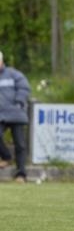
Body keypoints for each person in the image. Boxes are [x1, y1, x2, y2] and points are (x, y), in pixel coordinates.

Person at [0, 50, 31, 183]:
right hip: (1, 114)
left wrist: (19, 102)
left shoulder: (14, 74)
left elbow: (24, 88)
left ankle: (21, 174)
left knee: (20, 144)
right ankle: (6, 157)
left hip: (16, 113)